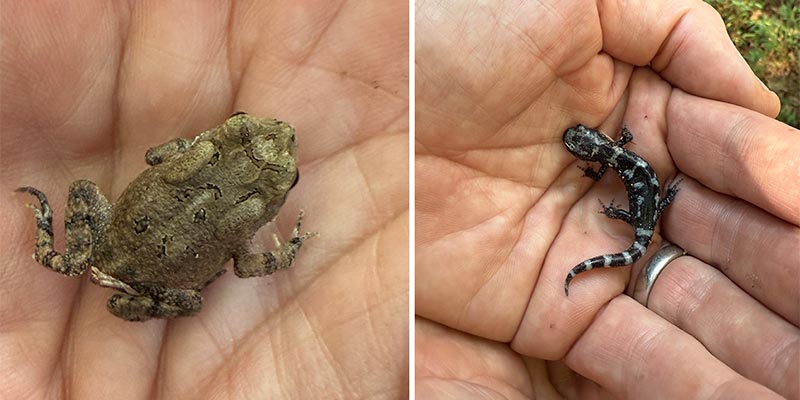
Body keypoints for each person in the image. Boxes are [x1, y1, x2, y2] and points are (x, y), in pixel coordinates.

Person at [0, 1, 408, 398]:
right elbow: (248, 267)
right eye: (239, 124)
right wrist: (290, 251)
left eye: (290, 177)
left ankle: (61, 256)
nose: (282, 133)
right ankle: (65, 259)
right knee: (192, 300)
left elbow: (153, 157)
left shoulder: (201, 170)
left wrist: (189, 147)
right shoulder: (241, 220)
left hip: (113, 240)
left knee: (85, 192)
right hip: (132, 255)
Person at [415, 1, 798, 399]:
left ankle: (592, 259)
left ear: (593, 150)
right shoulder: (617, 150)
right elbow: (625, 164)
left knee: (640, 211)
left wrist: (618, 209)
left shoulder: (610, 161)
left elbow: (613, 174)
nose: (580, 142)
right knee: (644, 204)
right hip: (647, 207)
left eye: (582, 142)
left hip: (644, 212)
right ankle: (607, 246)